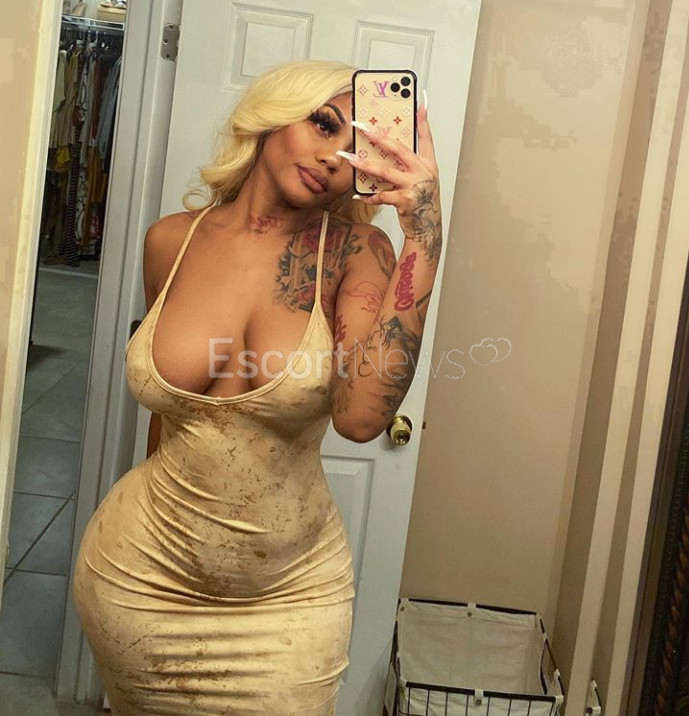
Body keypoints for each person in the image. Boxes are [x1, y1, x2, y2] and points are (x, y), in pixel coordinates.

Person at [72, 59, 442, 715]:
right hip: (138, 578)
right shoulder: (170, 242)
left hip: (287, 600)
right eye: (324, 124)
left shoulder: (356, 254)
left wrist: (424, 230)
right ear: (272, 116)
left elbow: (361, 418)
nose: (334, 157)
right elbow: (169, 418)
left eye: (356, 148)